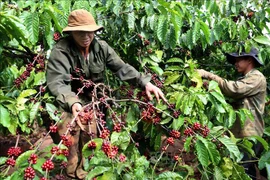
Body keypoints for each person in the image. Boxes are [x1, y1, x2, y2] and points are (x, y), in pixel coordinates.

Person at [46, 9, 166, 179]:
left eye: (90, 32)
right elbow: (58, 82)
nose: (87, 36)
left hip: (92, 99)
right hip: (67, 99)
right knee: (70, 133)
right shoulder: (61, 51)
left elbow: (121, 68)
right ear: (71, 32)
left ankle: (86, 172)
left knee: (91, 135)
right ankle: (70, 172)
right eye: (81, 32)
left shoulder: (101, 47)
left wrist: (145, 83)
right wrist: (73, 102)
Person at [197, 47, 267, 179]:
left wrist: (207, 74)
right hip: (239, 134)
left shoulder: (256, 77)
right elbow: (230, 98)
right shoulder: (245, 78)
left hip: (249, 135)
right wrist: (209, 86)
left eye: (238, 60)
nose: (235, 63)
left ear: (249, 60)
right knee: (238, 170)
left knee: (244, 171)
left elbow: (234, 90)